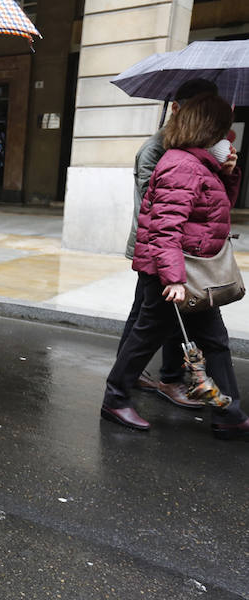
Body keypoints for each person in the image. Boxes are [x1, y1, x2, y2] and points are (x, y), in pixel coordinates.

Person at [101, 92, 248, 440]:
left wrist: (228, 173)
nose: (228, 139)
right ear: (209, 128)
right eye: (224, 131)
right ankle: (115, 398)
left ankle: (229, 414)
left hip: (191, 270)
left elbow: (214, 211)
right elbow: (164, 227)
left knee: (215, 340)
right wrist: (174, 278)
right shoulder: (182, 165)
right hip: (173, 274)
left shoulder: (198, 165)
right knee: (147, 334)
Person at [119, 79, 219, 409]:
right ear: (177, 109)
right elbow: (163, 208)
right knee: (155, 318)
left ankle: (126, 378)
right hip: (160, 248)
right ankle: (151, 380)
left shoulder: (191, 149)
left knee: (147, 317)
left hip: (174, 248)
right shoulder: (157, 149)